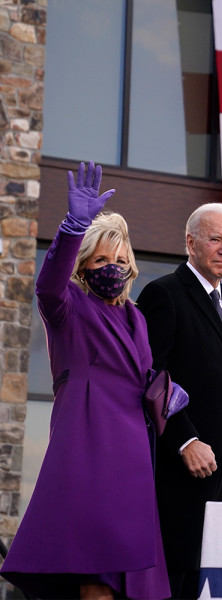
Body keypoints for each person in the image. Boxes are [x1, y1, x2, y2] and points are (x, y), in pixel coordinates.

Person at [0, 162, 170, 599]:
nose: (111, 267)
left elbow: (144, 377)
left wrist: (169, 393)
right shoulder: (69, 304)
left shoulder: (136, 317)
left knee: (128, 579)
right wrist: (73, 226)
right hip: (88, 447)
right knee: (96, 574)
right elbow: (48, 286)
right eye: (100, 259)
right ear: (84, 265)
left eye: (118, 259)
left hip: (133, 453)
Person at [137, 202, 222, 599]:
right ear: (190, 242)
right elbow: (150, 378)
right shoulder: (163, 294)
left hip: (215, 481)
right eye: (216, 238)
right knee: (166, 584)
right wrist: (185, 440)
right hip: (171, 477)